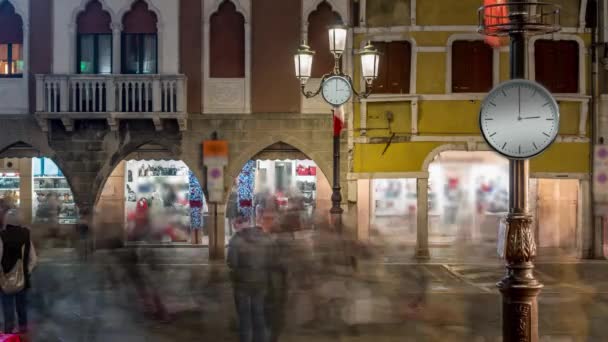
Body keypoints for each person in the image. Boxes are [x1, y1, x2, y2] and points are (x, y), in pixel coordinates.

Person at [227, 213, 274, 342]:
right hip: (261, 282)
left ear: (237, 224)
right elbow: (271, 260)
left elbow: (232, 263)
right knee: (259, 314)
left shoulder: (235, 240)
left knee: (244, 317)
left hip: (242, 284)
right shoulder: (264, 238)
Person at [0, 200, 37, 334]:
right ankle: (23, 332)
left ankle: (9, 334)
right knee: (22, 308)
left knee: (8, 308)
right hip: (23, 280)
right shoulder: (26, 234)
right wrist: (26, 272)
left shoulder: (2, 236)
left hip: (5, 280)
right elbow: (33, 259)